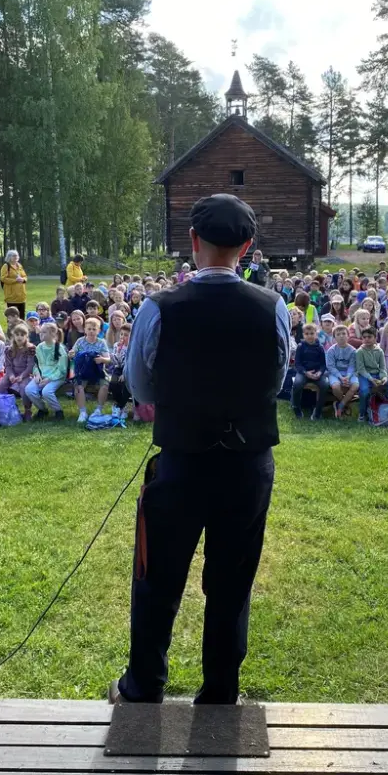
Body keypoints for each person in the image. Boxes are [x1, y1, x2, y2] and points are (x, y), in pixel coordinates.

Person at [114, 193, 290, 706]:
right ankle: (220, 690)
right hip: (247, 465)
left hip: (182, 463)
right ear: (248, 247)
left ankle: (144, 685)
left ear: (193, 242)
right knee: (233, 580)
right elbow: (275, 381)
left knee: (158, 577)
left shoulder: (157, 308)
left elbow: (142, 390)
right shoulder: (272, 306)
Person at [71, 316, 111, 424]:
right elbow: (72, 353)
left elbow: (108, 359)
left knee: (105, 385)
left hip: (98, 372)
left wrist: (102, 359)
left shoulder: (101, 342)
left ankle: (99, 409)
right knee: (78, 387)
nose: (91, 331)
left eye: (94, 329)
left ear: (98, 331)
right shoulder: (80, 341)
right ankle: (83, 412)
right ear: (85, 330)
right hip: (83, 371)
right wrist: (71, 353)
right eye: (89, 329)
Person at [25, 323, 69, 421]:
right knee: (29, 390)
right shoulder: (40, 347)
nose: (41, 334)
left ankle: (58, 411)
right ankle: (43, 409)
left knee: (46, 392)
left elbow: (62, 369)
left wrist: (49, 379)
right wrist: (37, 374)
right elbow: (37, 364)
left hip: (57, 377)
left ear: (53, 334)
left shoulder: (59, 348)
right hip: (42, 376)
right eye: (41, 332)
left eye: (44, 332)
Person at [355, 326, 388, 423]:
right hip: (365, 375)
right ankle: (362, 413)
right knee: (365, 391)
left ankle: (384, 408)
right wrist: (370, 379)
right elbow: (361, 369)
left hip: (377, 374)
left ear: (375, 338)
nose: (366, 339)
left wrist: (384, 378)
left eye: (369, 337)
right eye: (364, 337)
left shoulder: (379, 351)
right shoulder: (359, 352)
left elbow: (383, 367)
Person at [0, 322, 36, 421]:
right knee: (0, 385)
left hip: (25, 374)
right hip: (12, 373)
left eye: (22, 335)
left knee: (24, 388)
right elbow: (8, 365)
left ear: (26, 336)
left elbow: (30, 366)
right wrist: (11, 376)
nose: (19, 337)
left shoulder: (30, 349)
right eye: (17, 335)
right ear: (13, 336)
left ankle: (27, 410)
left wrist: (22, 376)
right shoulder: (9, 349)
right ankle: (7, 406)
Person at [291, 322, 329, 420]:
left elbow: (323, 364)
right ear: (303, 335)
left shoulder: (320, 347)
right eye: (307, 334)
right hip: (304, 372)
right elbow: (297, 364)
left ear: (316, 334)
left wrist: (320, 372)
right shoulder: (300, 346)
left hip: (317, 373)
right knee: (297, 384)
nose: (309, 336)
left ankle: (318, 411)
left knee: (325, 385)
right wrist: (305, 372)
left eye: (312, 333)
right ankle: (296, 407)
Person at [326, 325, 359, 419]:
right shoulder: (331, 351)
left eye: (344, 333)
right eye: (338, 334)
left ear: (348, 335)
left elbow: (352, 365)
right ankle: (346, 405)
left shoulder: (353, 351)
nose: (341, 336)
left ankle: (340, 405)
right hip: (336, 374)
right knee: (335, 387)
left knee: (355, 385)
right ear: (334, 337)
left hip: (349, 374)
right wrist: (340, 377)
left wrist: (348, 377)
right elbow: (330, 366)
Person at [108, 321, 132, 419]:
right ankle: (120, 405)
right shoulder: (116, 345)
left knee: (125, 385)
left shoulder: (132, 347)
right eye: (121, 334)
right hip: (119, 368)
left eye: (126, 335)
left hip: (129, 369)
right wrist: (117, 352)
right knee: (113, 384)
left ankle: (121, 407)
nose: (123, 337)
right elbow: (116, 362)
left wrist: (125, 374)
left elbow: (131, 362)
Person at [0, 250, 28, 320]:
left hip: (21, 296)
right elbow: (3, 278)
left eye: (17, 255)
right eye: (14, 256)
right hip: (11, 296)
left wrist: (23, 279)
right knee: (12, 316)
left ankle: (21, 330)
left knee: (21, 316)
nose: (16, 257)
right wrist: (15, 280)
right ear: (9, 257)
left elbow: (25, 276)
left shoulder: (19, 265)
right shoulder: (6, 266)